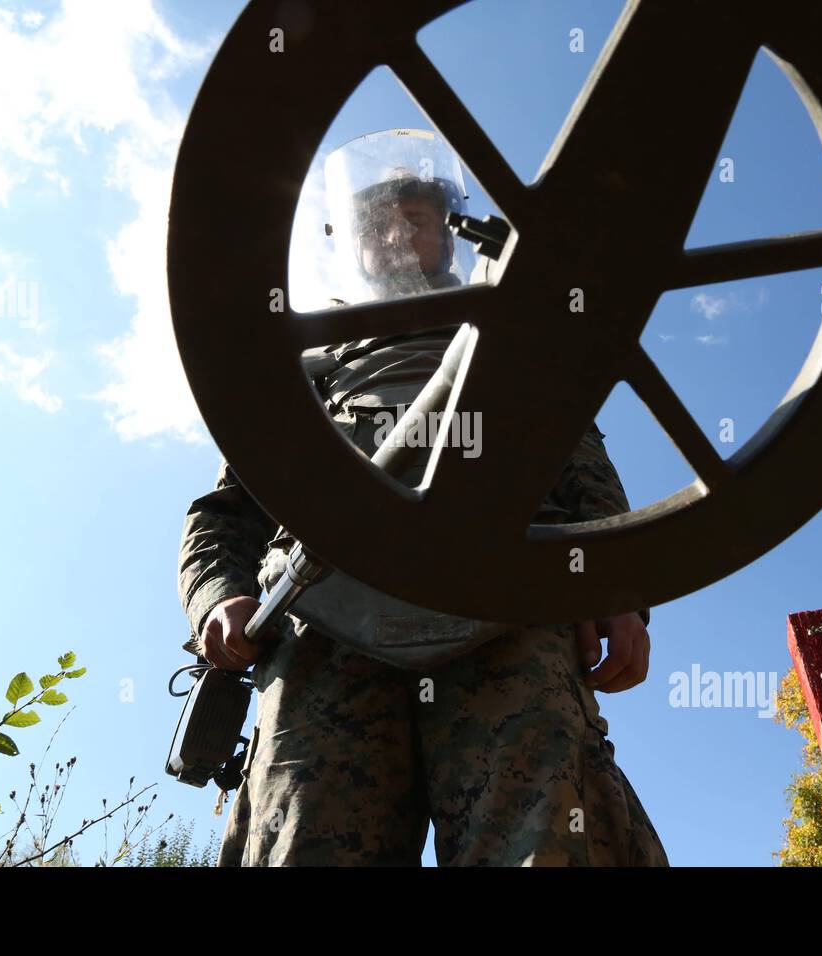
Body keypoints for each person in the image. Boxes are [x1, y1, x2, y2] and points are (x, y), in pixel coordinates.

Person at [177, 128, 668, 866]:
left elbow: (583, 474)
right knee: (306, 840)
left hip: (510, 606)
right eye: (381, 220)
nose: (400, 233)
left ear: (449, 233)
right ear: (354, 239)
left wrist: (622, 593)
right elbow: (228, 512)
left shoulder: (518, 355)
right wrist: (218, 597)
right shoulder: (306, 368)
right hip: (323, 621)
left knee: (546, 836)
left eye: (419, 216)